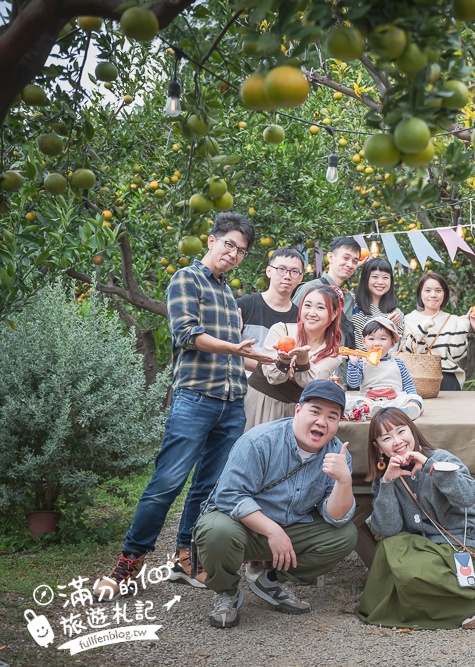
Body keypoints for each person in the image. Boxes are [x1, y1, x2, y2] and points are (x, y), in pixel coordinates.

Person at [94, 213, 275, 600]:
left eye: (241, 251)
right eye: (229, 244)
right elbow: (187, 335)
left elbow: (239, 355)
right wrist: (233, 347)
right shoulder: (185, 279)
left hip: (231, 402)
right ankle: (128, 561)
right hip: (195, 399)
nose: (234, 254)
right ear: (210, 240)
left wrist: (272, 360)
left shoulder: (228, 293)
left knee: (208, 487)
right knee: (166, 484)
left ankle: (186, 556)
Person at [193, 380, 358, 628]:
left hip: (291, 529)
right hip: (242, 527)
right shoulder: (259, 441)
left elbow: (335, 517)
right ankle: (226, 591)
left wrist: (344, 481)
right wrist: (273, 530)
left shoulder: (338, 455)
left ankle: (271, 580)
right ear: (298, 410)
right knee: (216, 531)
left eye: (331, 416)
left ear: (338, 423)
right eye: (315, 411)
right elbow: (230, 496)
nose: (322, 422)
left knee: (345, 535)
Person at [356, 408, 475, 630]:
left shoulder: (440, 458)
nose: (397, 441)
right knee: (389, 550)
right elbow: (389, 529)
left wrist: (431, 468)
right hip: (425, 547)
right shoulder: (386, 475)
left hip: (461, 541)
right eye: (386, 438)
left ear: (412, 430)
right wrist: (386, 485)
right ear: (378, 447)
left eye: (400, 431)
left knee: (417, 575)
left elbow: (467, 497)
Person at [243, 285, 345, 431]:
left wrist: (303, 361)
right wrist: (284, 361)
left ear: (334, 314)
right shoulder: (281, 330)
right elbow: (273, 376)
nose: (312, 313)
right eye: (307, 305)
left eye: (321, 308)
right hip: (259, 402)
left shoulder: (333, 354)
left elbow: (310, 384)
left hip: (293, 413)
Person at [237, 247, 304, 378]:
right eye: (281, 269)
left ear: (300, 278)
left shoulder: (300, 317)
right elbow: (228, 349)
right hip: (242, 388)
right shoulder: (244, 306)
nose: (287, 276)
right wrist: (271, 369)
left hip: (280, 390)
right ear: (269, 271)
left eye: (294, 272)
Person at [401, 272, 471, 390]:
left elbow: (456, 355)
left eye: (438, 291)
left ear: (444, 294)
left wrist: (463, 326)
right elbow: (409, 351)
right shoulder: (409, 319)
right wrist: (423, 327)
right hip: (416, 378)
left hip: (447, 378)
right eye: (427, 290)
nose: (433, 295)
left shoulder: (454, 321)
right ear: (420, 293)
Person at [344, 317, 423, 420]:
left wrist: (414, 400)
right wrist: (353, 364)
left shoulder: (398, 362)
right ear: (364, 342)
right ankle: (372, 411)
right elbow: (353, 384)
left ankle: (409, 409)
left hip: (395, 398)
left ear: (392, 343)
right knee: (353, 401)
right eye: (371, 339)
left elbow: (408, 384)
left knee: (415, 398)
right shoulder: (361, 362)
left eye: (383, 339)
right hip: (370, 399)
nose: (377, 343)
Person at [294, 237, 361, 348]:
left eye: (355, 261)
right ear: (330, 257)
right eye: (345, 258)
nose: (350, 264)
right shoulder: (310, 289)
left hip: (342, 362)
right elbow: (291, 323)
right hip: (311, 360)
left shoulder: (348, 298)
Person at [351, 256, 405, 340]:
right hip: (349, 353)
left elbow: (396, 348)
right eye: (375, 277)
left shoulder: (395, 314)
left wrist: (393, 327)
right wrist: (353, 266)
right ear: (366, 278)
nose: (380, 282)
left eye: (385, 277)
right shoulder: (351, 301)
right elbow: (327, 290)